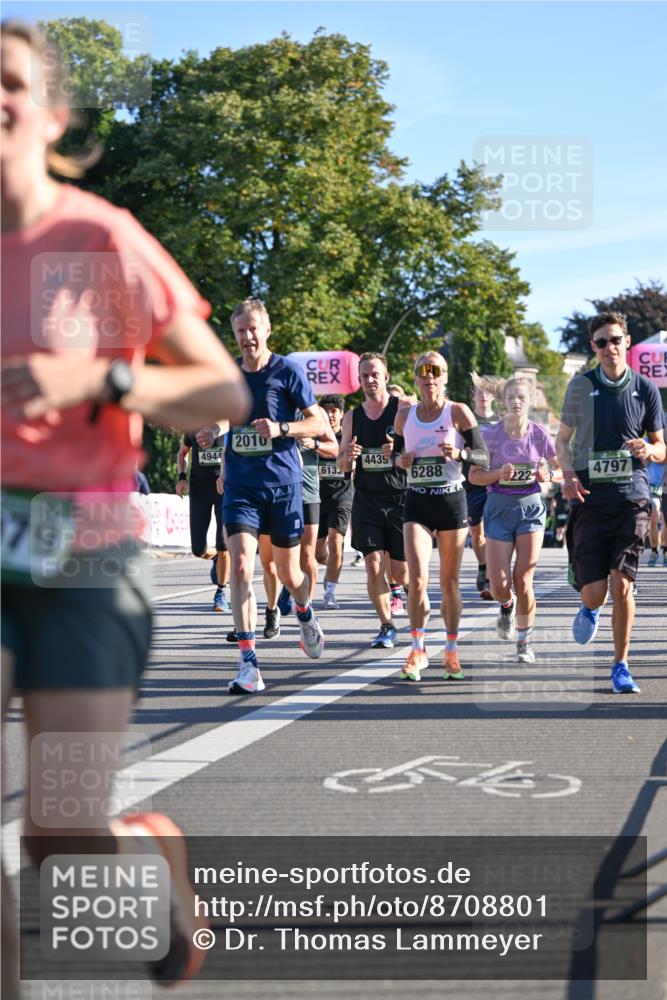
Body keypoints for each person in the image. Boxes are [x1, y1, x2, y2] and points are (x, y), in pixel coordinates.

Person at [0, 20, 250, 993]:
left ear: (52, 115)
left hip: (85, 556)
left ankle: (147, 861)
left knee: (59, 836)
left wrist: (102, 375)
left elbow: (221, 395)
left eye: (9, 82)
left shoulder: (96, 238)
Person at [556, 312, 665, 693]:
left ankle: (620, 665)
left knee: (623, 584)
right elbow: (561, 441)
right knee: (595, 592)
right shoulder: (580, 387)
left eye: (615, 340)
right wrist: (568, 475)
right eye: (601, 342)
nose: (609, 348)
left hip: (631, 499)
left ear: (627, 341)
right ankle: (589, 605)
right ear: (593, 347)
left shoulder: (645, 389)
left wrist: (649, 449)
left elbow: (662, 447)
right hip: (589, 499)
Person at [223, 298, 328, 694]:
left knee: (289, 573)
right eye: (240, 332)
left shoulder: (288, 371)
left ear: (267, 330)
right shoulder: (228, 375)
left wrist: (282, 428)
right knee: (240, 567)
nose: (247, 337)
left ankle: (304, 611)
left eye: (253, 329)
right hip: (240, 488)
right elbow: (220, 416)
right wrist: (208, 431)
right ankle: (248, 662)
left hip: (283, 486)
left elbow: (317, 423)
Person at [391, 353, 488, 680]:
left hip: (451, 500)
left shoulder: (458, 411)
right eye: (423, 371)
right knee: (416, 580)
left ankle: (450, 650)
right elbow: (395, 455)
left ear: (444, 377)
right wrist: (400, 461)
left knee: (449, 583)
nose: (429, 377)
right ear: (416, 377)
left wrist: (460, 453)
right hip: (417, 500)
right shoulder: (404, 415)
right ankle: (417, 650)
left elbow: (483, 456)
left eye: (436, 371)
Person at [469, 376, 557, 664]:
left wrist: (547, 474)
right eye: (511, 398)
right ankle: (506, 605)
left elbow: (560, 469)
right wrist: (498, 474)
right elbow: (473, 476)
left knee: (523, 579)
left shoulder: (540, 434)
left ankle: (524, 643)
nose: (516, 402)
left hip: (530, 509)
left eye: (522, 397)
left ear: (530, 400)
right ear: (503, 402)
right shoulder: (490, 435)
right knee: (499, 585)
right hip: (498, 509)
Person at [337, 352, 409, 648]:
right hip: (366, 498)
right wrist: (349, 457)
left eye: (374, 374)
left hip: (400, 497)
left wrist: (399, 449)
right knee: (372, 564)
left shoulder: (403, 409)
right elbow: (341, 464)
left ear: (386, 377)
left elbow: (419, 451)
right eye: (364, 375)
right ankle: (386, 625)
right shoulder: (352, 417)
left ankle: (398, 589)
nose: (369, 380)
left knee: (401, 571)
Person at [277, 406, 338, 614]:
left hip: (307, 492)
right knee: (281, 552)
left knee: (307, 552)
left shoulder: (315, 413)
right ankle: (289, 584)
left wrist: (314, 444)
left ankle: (306, 608)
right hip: (280, 491)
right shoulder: (272, 406)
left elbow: (335, 448)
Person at [176, 423, 230, 611]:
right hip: (199, 490)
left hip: (224, 489)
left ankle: (221, 592)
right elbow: (182, 453)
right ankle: (216, 559)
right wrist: (182, 477)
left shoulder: (227, 427)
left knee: (224, 545)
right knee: (198, 549)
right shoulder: (193, 426)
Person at [464, 373, 502, 600]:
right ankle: (482, 565)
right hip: (470, 482)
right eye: (480, 392)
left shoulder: (500, 421)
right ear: (473, 396)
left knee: (494, 531)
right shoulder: (467, 421)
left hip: (495, 481)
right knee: (477, 535)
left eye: (488, 392)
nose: (484, 396)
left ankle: (491, 576)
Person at [315, 395, 354, 609]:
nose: (330, 415)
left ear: (340, 413)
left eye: (334, 411)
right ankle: (330, 566)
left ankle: (330, 592)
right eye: (326, 410)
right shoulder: (314, 436)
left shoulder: (348, 437)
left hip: (342, 496)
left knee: (336, 540)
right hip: (316, 498)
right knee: (317, 552)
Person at [647, 458, 664, 565]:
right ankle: (654, 550)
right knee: (654, 516)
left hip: (665, 486)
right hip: (652, 487)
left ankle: (665, 549)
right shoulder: (649, 441)